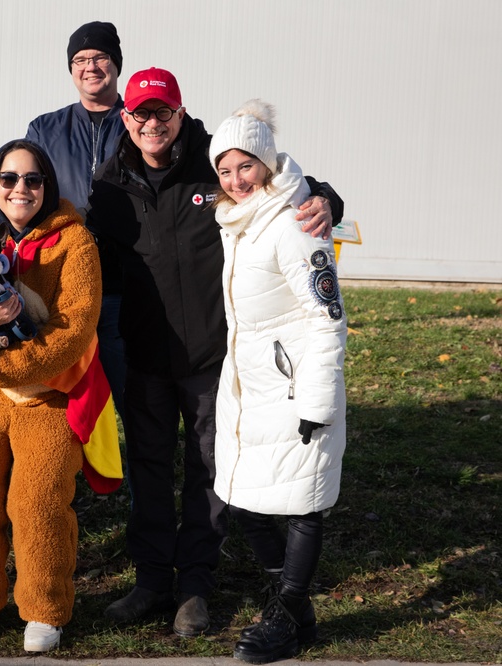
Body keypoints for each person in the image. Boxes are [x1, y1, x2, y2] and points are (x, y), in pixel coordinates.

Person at [86, 67, 344, 636]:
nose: (152, 124)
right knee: (149, 470)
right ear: (125, 119)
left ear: (180, 114)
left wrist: (327, 199)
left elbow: (291, 187)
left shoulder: (216, 161)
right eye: (140, 114)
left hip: (213, 355)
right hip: (146, 354)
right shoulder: (108, 187)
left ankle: (194, 587)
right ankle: (152, 579)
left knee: (209, 468)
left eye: (162, 113)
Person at [0, 140, 118, 653]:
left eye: (32, 179)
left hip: (49, 391)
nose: (20, 188)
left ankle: (45, 607)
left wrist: (3, 364)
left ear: (47, 186)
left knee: (38, 503)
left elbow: (75, 328)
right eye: (8, 178)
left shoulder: (75, 242)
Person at [208, 100, 347, 664]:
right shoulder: (238, 221)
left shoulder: (294, 220)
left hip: (295, 388)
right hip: (251, 386)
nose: (236, 180)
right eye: (224, 170)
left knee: (302, 503)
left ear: (265, 163)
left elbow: (326, 315)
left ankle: (286, 611)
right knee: (243, 500)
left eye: (245, 166)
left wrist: (317, 399)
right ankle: (296, 610)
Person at [26, 20, 128, 423]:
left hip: (125, 284)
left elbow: (215, 158)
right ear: (71, 70)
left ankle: (139, 482)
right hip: (64, 286)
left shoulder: (142, 123)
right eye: (80, 59)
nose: (90, 66)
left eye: (100, 57)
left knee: (131, 400)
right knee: (59, 402)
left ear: (116, 64)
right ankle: (62, 482)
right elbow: (24, 192)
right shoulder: (45, 129)